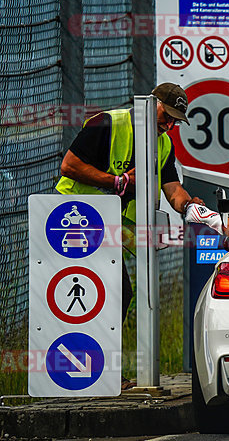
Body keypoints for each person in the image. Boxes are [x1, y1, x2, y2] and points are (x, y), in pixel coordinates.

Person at [56, 82, 220, 320]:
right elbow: (69, 166)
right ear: (152, 105)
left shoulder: (163, 144)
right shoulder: (108, 124)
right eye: (167, 116)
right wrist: (117, 181)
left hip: (108, 227)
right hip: (75, 219)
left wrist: (189, 206)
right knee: (112, 293)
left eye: (176, 121)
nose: (170, 125)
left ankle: (104, 352)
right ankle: (96, 349)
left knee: (115, 295)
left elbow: (173, 188)